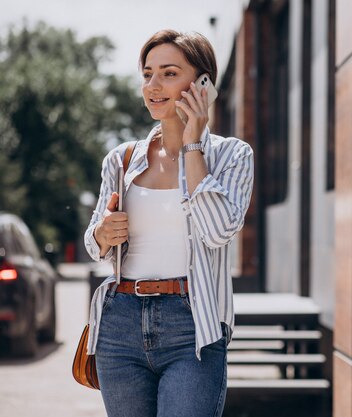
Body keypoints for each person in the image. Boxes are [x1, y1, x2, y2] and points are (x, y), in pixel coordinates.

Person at [83, 29, 254, 417]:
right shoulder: (122, 159)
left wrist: (192, 145)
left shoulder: (231, 156)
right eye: (147, 74)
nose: (153, 86)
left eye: (169, 73)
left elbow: (216, 232)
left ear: (202, 84)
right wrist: (102, 233)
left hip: (192, 326)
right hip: (120, 324)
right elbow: (95, 245)